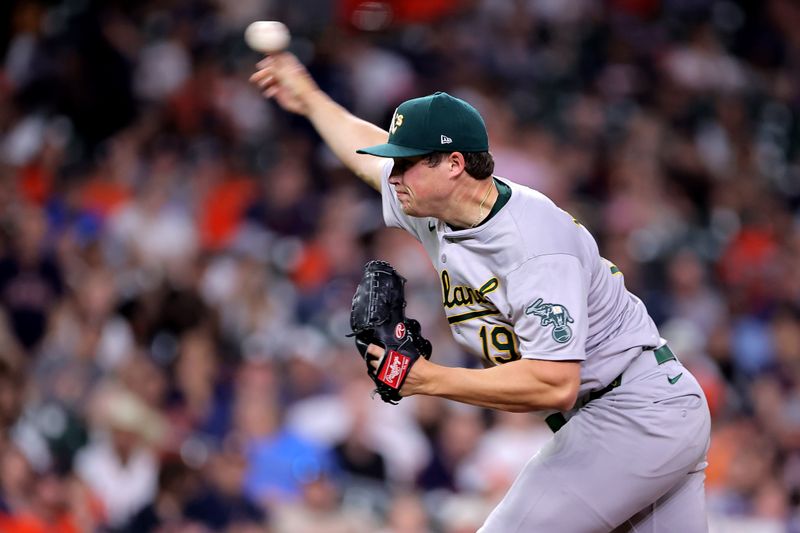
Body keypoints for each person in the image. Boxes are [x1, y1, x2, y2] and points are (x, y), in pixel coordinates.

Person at [250, 52, 711, 532]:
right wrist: (309, 100)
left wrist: (428, 379)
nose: (393, 176)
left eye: (406, 164)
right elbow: (365, 148)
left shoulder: (533, 245)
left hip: (630, 410)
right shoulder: (433, 204)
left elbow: (555, 384)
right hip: (645, 410)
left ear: (453, 164)